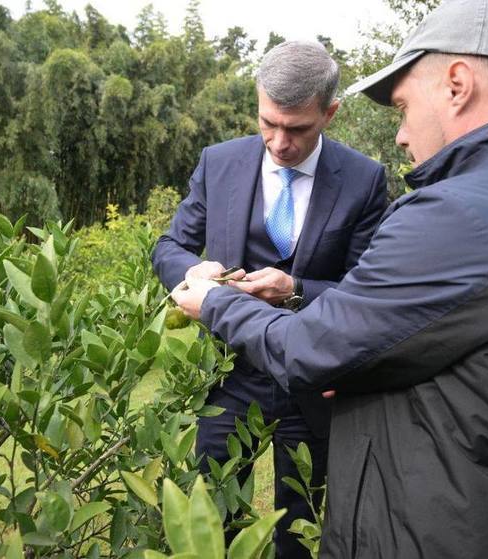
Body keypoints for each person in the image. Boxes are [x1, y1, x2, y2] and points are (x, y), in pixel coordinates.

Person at [172, 0, 488, 557]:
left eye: (401, 107)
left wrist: (214, 303)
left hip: (445, 526)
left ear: (457, 84)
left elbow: (313, 346)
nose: (399, 134)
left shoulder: (453, 216)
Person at [152, 40, 387, 558]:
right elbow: (168, 246)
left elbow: (368, 291)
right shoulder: (219, 162)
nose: (279, 143)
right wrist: (196, 269)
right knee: (213, 516)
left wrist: (296, 289)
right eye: (267, 123)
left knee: (300, 528)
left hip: (313, 380)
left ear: (330, 112)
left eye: (297, 128)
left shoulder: (365, 180)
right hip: (227, 375)